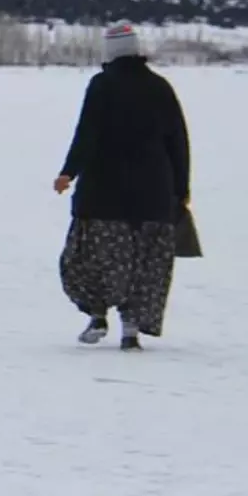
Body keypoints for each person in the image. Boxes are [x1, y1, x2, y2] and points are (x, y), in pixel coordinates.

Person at [54, 21, 191, 350]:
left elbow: (86, 134)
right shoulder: (161, 87)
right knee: (143, 263)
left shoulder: (102, 86)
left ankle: (98, 314)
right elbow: (178, 142)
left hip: (105, 194)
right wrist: (182, 189)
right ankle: (130, 329)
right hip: (154, 194)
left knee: (91, 259)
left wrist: (68, 173)